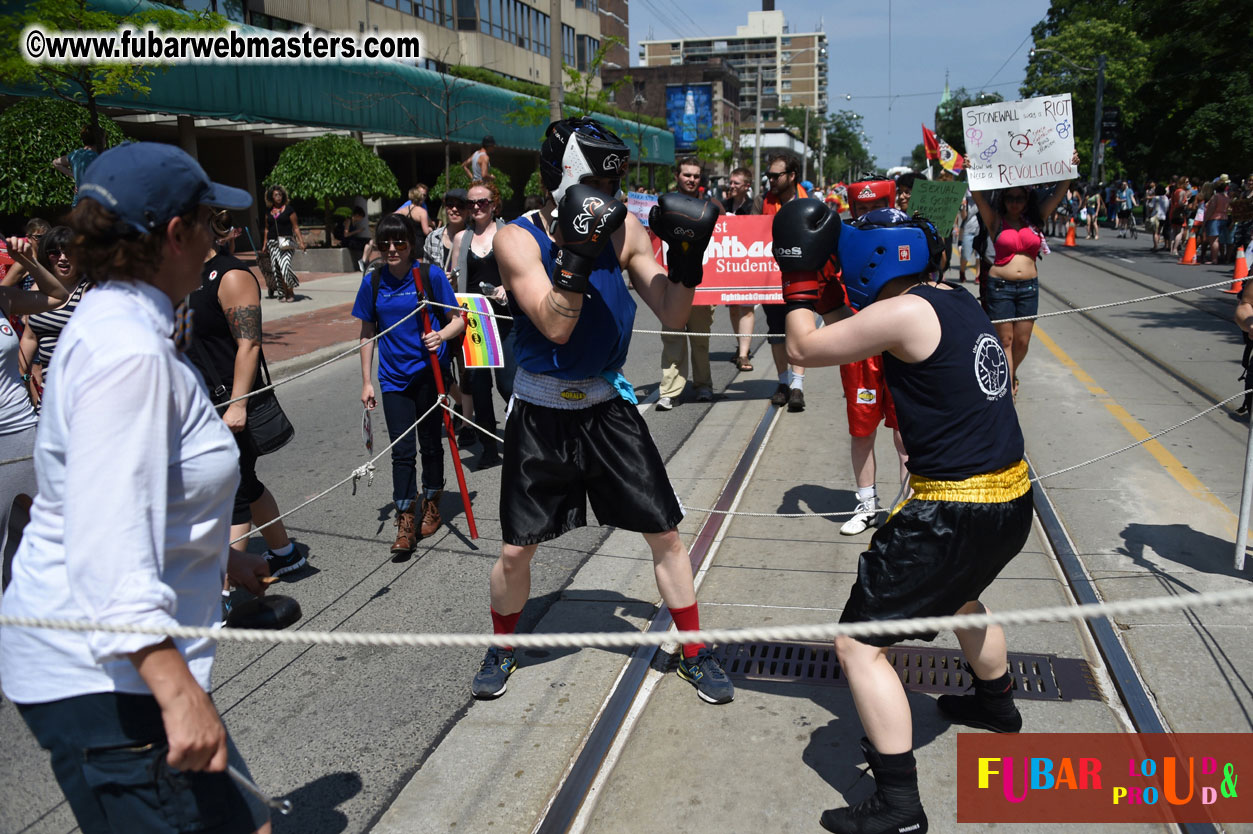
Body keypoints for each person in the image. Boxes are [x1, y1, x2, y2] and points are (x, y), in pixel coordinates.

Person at [0, 141, 274, 834]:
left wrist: (216, 554)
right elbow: (104, 539)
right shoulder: (128, 351)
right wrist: (176, 690)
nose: (216, 238)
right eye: (209, 222)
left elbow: (122, 490)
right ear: (176, 234)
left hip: (125, 662)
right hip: (105, 678)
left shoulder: (122, 321)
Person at [773, 200, 1032, 834]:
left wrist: (800, 277)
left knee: (859, 645)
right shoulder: (953, 299)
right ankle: (997, 705)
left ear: (869, 261)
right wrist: (832, 297)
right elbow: (857, 331)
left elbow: (803, 347)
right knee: (960, 596)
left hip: (952, 512)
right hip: (1011, 498)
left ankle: (900, 806)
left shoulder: (902, 314)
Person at [470, 117, 733, 705]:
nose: (610, 198)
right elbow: (555, 327)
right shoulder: (517, 239)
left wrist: (687, 259)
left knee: (665, 533)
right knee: (517, 549)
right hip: (541, 408)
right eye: (599, 186)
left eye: (615, 186)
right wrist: (577, 253)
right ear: (565, 178)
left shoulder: (626, 229)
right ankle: (502, 646)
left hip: (606, 404)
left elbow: (672, 312)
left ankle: (694, 650)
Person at [188, 212, 309, 582]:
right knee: (246, 482)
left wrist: (238, 405)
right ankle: (285, 554)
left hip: (230, 401)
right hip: (198, 404)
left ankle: (221, 590)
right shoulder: (179, 276)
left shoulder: (230, 275)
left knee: (234, 491)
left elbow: (249, 344)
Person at [353, 214, 465, 555]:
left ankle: (432, 503)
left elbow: (458, 320)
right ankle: (405, 519)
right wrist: (366, 382)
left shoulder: (430, 275)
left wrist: (440, 335)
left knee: (430, 444)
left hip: (429, 375)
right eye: (384, 242)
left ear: (411, 243)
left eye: (399, 242)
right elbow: (367, 332)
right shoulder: (373, 281)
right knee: (402, 451)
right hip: (393, 379)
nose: (392, 249)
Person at [968, 150, 1079, 398]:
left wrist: (1070, 168)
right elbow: (977, 194)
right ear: (1004, 199)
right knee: (1005, 341)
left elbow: (1059, 193)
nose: (1015, 203)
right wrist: (970, 168)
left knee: (1022, 342)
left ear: (1026, 200)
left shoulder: (1036, 220)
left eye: (1019, 198)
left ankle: (1011, 373)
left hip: (1028, 287)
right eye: (1010, 198)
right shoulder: (995, 220)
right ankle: (1007, 390)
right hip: (1000, 287)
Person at [835, 179, 909, 536]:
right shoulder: (841, 240)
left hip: (900, 346)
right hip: (860, 348)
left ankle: (909, 509)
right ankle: (867, 505)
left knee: (905, 433)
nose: (868, 215)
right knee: (861, 429)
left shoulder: (908, 236)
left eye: (876, 207)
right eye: (862, 208)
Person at [0, 236, 71, 590]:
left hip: (27, 431)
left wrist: (27, 261)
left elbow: (58, 295)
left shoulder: (2, 298)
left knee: (61, 526)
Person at [450, 181, 512, 468]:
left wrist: (506, 288)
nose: (476, 207)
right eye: (471, 203)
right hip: (474, 321)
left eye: (482, 202)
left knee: (508, 383)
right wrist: (449, 282)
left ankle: (521, 435)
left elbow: (523, 272)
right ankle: (488, 447)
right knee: (479, 385)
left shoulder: (508, 233)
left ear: (494, 204)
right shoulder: (461, 238)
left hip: (505, 319)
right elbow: (453, 279)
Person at [656, 157, 716, 411]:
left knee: (700, 340)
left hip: (702, 284)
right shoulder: (663, 205)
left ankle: (703, 385)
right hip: (673, 282)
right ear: (677, 176)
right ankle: (670, 391)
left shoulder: (713, 207)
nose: (691, 179)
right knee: (673, 338)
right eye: (687, 175)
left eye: (696, 176)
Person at [21, 225, 93, 411]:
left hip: (82, 395)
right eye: (55, 253)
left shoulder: (90, 290)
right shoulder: (37, 289)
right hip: (48, 396)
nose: (63, 258)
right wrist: (26, 381)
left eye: (69, 252)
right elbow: (29, 337)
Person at [761, 152, 811, 412]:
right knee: (776, 332)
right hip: (769, 278)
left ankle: (797, 386)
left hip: (799, 277)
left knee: (798, 332)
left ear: (792, 176)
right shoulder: (761, 203)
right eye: (768, 175)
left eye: (775, 175)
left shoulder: (809, 204)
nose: (770, 180)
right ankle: (783, 382)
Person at [723, 166, 757, 371]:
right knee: (734, 307)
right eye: (731, 182)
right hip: (728, 264)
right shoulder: (723, 205)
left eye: (736, 183)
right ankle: (740, 346)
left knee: (747, 307)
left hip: (748, 263)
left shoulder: (753, 207)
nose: (732, 186)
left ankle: (744, 355)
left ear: (747, 186)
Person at [260, 184, 305, 303]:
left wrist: (301, 242)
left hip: (286, 242)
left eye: (280, 195)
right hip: (273, 243)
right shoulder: (268, 212)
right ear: (271, 197)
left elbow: (296, 227)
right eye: (276, 195)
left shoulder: (289, 210)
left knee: (285, 266)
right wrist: (264, 244)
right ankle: (283, 292)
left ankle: (290, 291)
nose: (278, 197)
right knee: (277, 269)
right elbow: (266, 229)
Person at [423, 188, 469, 273]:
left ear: (468, 210)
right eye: (450, 205)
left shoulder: (473, 238)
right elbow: (426, 271)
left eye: (460, 206)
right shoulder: (433, 237)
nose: (454, 209)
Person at [50, 124, 103, 198]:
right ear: (100, 139)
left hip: (79, 201)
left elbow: (55, 162)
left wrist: (75, 175)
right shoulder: (98, 157)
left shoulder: (76, 154)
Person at [1206, 177, 1231, 265]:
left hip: (1214, 219)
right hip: (1224, 218)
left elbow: (1211, 209)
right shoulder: (1227, 197)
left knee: (1214, 240)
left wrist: (1205, 220)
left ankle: (1214, 259)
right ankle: (1223, 257)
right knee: (1222, 240)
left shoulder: (1215, 197)